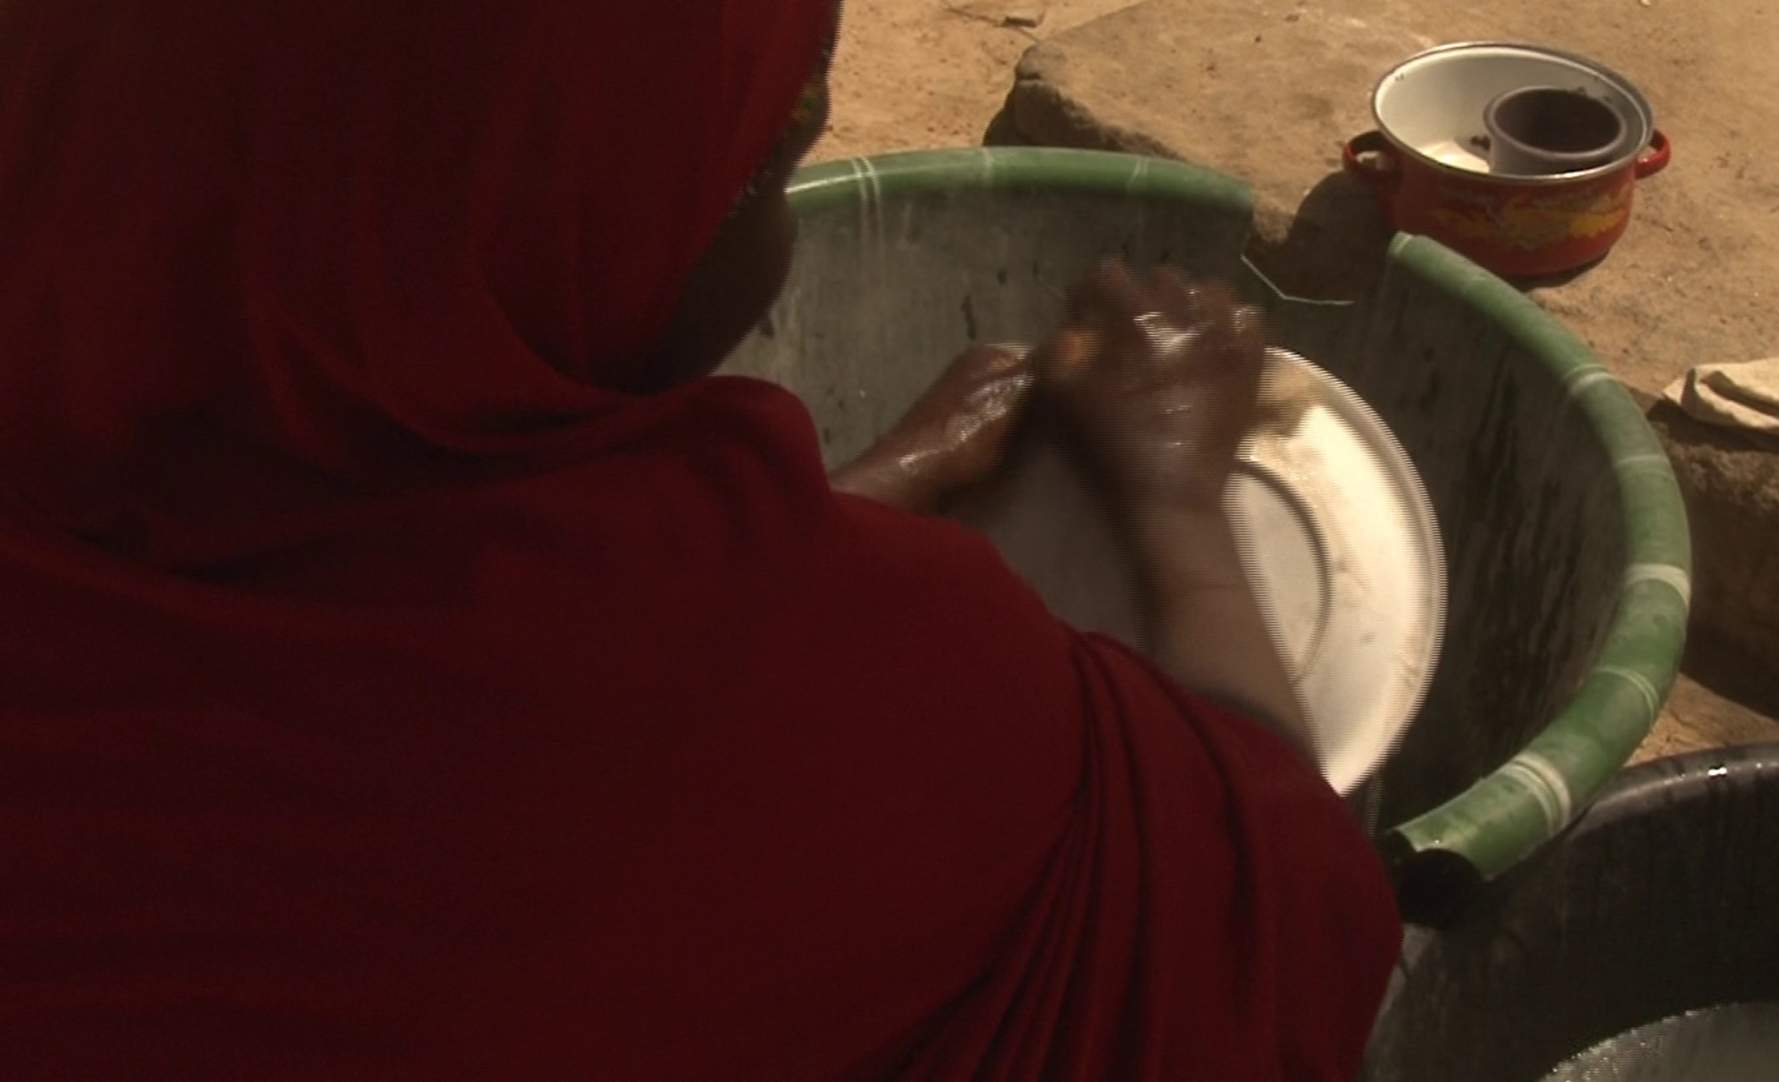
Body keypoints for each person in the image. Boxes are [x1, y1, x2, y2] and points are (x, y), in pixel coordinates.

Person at [0, 0, 1400, 1077]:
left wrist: (878, 478)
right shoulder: (878, 715)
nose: (774, 233)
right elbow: (1279, 916)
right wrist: (1173, 494)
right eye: (762, 165)